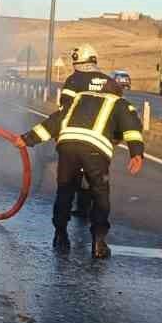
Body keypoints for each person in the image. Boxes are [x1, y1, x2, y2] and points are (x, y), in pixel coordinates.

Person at [20, 71, 145, 259]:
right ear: (116, 92)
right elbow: (132, 128)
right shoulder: (119, 104)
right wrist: (136, 153)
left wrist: (26, 139)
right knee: (99, 193)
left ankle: (60, 235)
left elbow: (53, 122)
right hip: (95, 151)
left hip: (67, 146)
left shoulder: (79, 99)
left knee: (65, 190)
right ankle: (98, 243)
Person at [59, 45, 117, 217]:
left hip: (75, 137)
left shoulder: (74, 80)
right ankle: (97, 230)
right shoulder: (110, 83)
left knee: (67, 182)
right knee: (98, 182)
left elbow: (65, 109)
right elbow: (119, 112)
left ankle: (61, 229)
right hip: (101, 139)